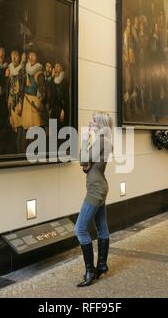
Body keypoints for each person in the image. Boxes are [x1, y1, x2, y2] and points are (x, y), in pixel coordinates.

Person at [75, 112, 113, 288]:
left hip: (96, 191)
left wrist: (84, 139)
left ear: (101, 124)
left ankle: (90, 271)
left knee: (80, 229)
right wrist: (86, 163)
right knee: (101, 228)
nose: (90, 122)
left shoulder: (102, 141)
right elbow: (86, 167)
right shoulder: (101, 140)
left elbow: (83, 160)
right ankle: (102, 265)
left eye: (93, 120)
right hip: (99, 187)